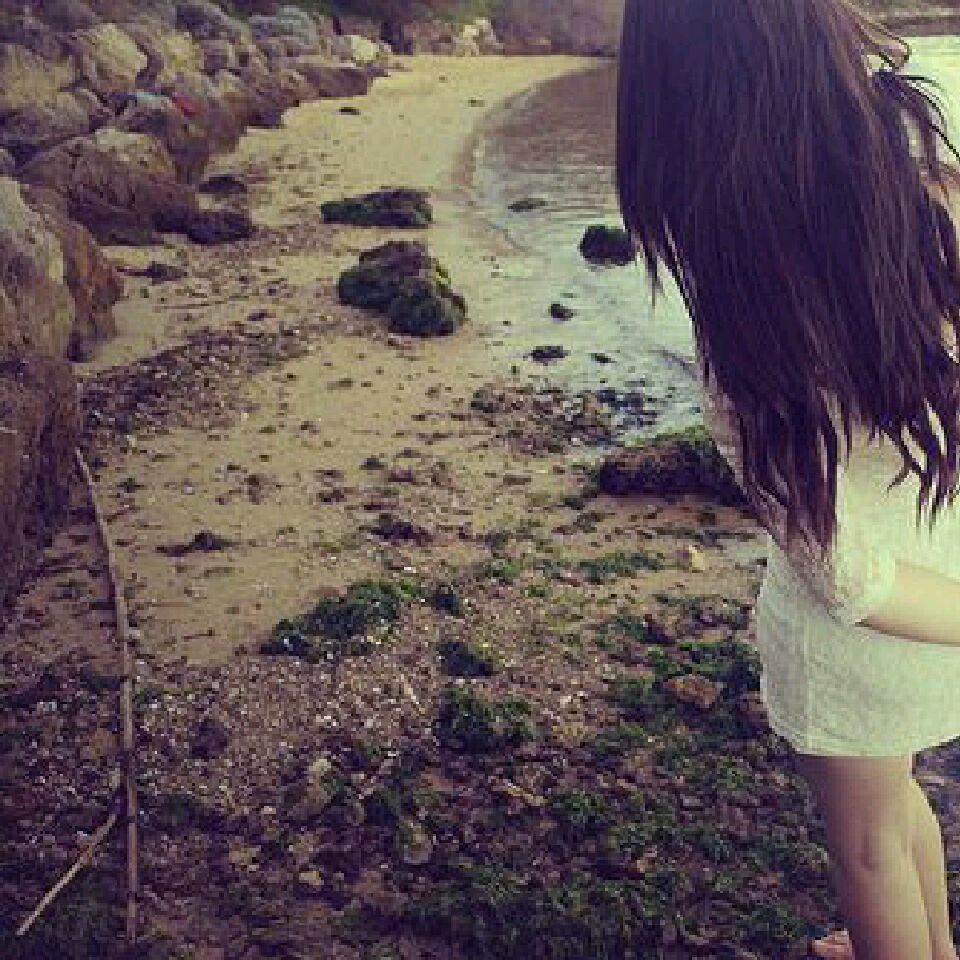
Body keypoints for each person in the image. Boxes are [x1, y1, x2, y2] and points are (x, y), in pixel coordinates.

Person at [615, 2, 960, 958]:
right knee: (898, 804)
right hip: (941, 581)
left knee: (869, 850)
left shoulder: (744, 292)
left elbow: (841, 574)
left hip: (861, 636)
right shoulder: (929, 192)